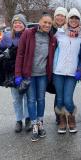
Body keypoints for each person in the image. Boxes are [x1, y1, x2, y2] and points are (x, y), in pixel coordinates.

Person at [15, 13, 56, 142]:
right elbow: (20, 54)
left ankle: (40, 123)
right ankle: (34, 126)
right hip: (29, 75)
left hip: (43, 75)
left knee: (41, 99)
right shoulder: (28, 34)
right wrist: (18, 74)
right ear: (39, 22)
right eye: (45, 22)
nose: (47, 25)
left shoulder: (52, 38)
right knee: (31, 100)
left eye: (49, 23)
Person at [53, 8, 81, 134]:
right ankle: (62, 120)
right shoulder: (59, 33)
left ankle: (71, 118)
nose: (74, 20)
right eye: (71, 18)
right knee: (59, 99)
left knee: (67, 99)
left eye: (76, 18)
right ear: (68, 19)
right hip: (58, 72)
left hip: (72, 73)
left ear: (79, 21)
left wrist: (80, 70)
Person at [0, 14, 32, 133]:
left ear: (24, 24)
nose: (17, 24)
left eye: (20, 22)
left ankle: (28, 118)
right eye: (15, 22)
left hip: (28, 71)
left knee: (28, 97)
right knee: (16, 98)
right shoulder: (7, 36)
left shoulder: (29, 35)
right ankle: (19, 120)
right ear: (12, 24)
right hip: (13, 73)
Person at [51, 7, 68, 125]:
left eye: (62, 15)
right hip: (53, 66)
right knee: (58, 93)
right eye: (58, 15)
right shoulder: (50, 29)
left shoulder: (69, 30)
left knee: (65, 93)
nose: (60, 17)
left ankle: (65, 114)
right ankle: (59, 116)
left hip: (66, 65)